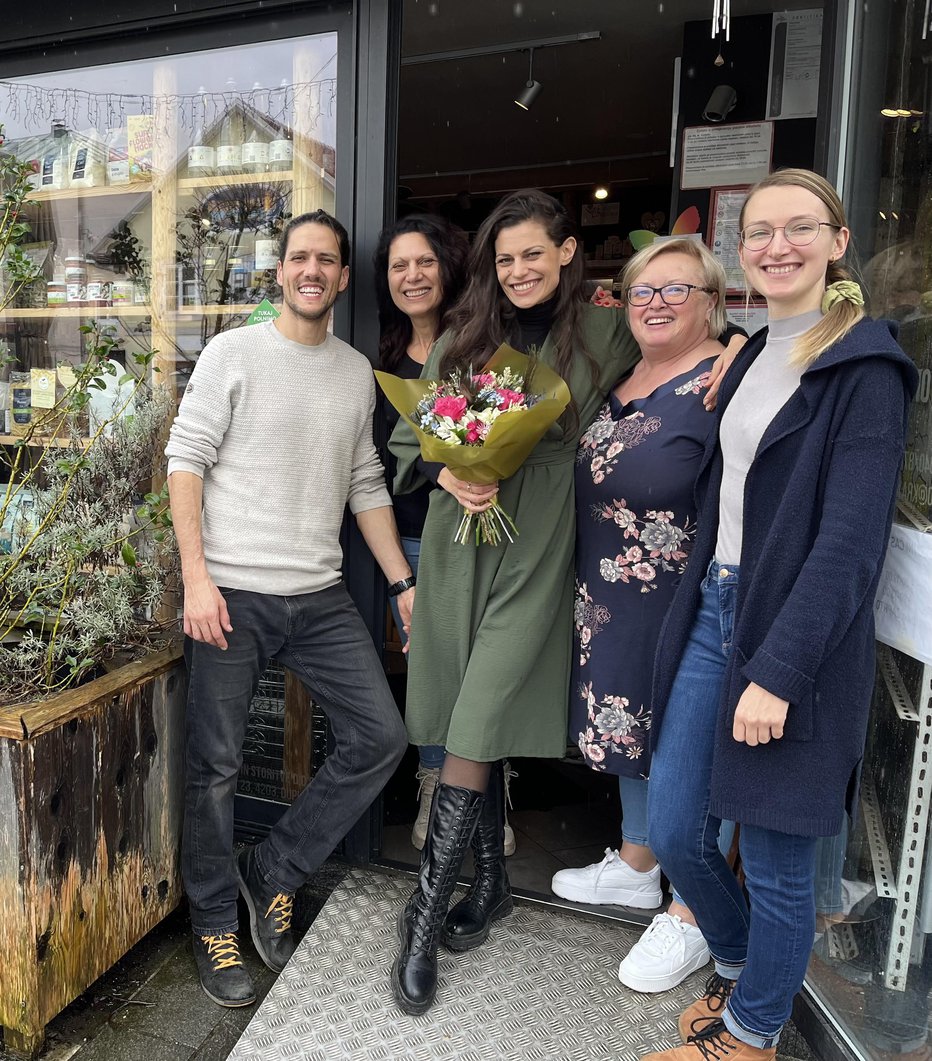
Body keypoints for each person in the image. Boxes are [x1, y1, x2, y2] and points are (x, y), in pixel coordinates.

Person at [642, 169, 918, 1061]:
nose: (776, 246)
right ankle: (737, 961)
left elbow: (848, 547)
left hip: (789, 635)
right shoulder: (755, 350)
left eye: (799, 228)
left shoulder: (866, 369)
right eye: (759, 233)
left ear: (839, 241)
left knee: (777, 858)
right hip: (715, 609)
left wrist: (780, 671)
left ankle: (752, 1033)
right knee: (678, 828)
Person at [386, 188, 646, 1016]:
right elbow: (408, 439)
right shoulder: (466, 335)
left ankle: (423, 913)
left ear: (567, 252)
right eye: (504, 258)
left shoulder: (608, 329)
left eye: (533, 253)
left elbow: (681, 354)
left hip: (540, 540)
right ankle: (492, 886)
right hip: (461, 538)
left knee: (480, 710)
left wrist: (735, 354)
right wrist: (447, 467)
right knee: (470, 708)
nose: (518, 270)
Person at [165, 209, 412, 1008]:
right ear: (280, 273)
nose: (312, 270)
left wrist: (404, 584)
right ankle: (212, 919)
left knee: (383, 736)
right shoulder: (234, 353)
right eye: (299, 257)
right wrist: (196, 580)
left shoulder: (352, 372)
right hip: (232, 594)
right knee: (216, 769)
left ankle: (273, 867)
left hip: (320, 595)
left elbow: (366, 482)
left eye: (328, 260)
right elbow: (185, 461)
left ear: (343, 277)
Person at [552, 239, 744, 994]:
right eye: (642, 291)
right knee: (623, 724)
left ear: (712, 300)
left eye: (677, 289)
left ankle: (694, 909)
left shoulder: (728, 375)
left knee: (688, 747)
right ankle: (637, 863)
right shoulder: (621, 376)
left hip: (686, 598)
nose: (657, 303)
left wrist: (740, 345)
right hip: (608, 596)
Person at [374, 215, 523, 854]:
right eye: (400, 266)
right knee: (433, 674)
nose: (413, 276)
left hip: (480, 534)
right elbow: (375, 465)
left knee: (484, 671)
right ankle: (436, 794)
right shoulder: (377, 356)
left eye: (425, 262)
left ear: (449, 267)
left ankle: (487, 801)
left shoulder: (486, 343)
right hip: (407, 540)